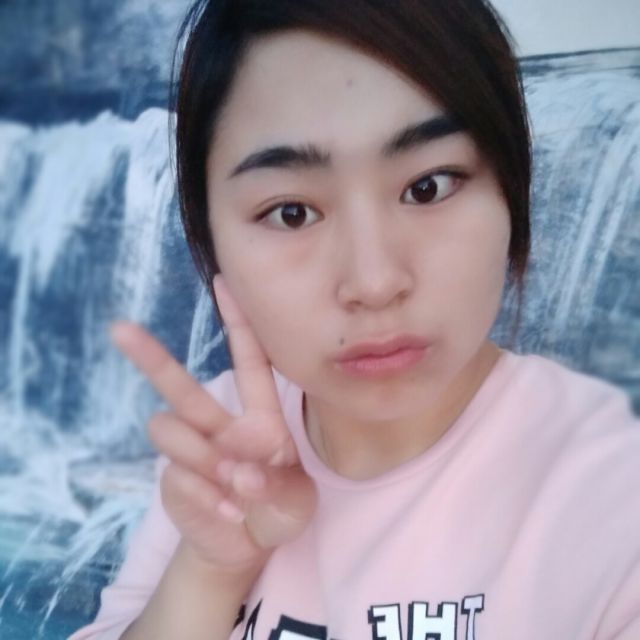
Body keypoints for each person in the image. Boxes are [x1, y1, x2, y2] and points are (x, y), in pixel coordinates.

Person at [69, 1, 640, 638]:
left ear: (511, 186)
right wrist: (208, 568)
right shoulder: (225, 443)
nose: (374, 283)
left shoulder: (610, 491)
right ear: (211, 238)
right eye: (292, 213)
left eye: (428, 186)